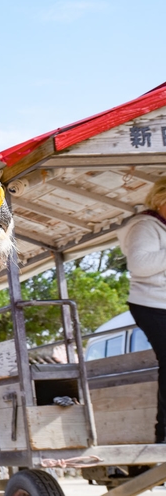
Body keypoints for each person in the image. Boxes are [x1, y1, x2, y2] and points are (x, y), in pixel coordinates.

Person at [118, 177, 166, 443]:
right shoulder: (145, 226)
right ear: (161, 201)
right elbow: (139, 265)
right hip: (152, 304)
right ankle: (164, 434)